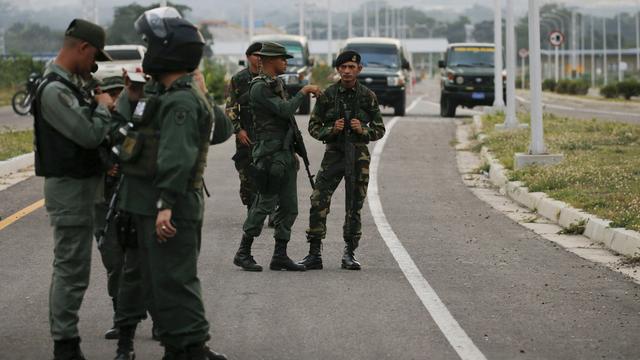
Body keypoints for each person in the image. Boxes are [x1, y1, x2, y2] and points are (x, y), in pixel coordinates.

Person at [112, 7, 229, 359]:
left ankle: (190, 348)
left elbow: (177, 158)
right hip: (145, 204)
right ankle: (179, 346)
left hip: (169, 206)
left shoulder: (181, 100)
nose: (146, 54)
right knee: (157, 282)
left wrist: (165, 205)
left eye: (150, 45)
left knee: (175, 282)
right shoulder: (161, 94)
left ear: (169, 51)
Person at [34, 18, 114, 360]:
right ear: (82, 47)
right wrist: (103, 108)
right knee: (71, 268)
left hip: (83, 188)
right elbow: (88, 134)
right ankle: (65, 345)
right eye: (93, 55)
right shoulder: (54, 89)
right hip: (69, 191)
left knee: (73, 268)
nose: (94, 64)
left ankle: (66, 340)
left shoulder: (72, 85)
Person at [299, 50, 385, 271]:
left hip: (358, 156)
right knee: (319, 200)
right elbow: (313, 126)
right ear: (338, 69)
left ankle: (349, 253)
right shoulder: (328, 95)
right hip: (334, 154)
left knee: (353, 205)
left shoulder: (367, 96)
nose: (347, 71)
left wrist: (363, 129)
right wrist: (331, 130)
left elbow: (379, 129)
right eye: (343, 67)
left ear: (359, 69)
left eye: (351, 67)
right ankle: (314, 253)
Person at [239, 41, 322, 272]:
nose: (286, 62)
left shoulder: (276, 84)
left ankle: (280, 255)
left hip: (283, 154)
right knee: (264, 204)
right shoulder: (260, 87)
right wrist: (303, 91)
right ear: (268, 61)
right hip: (268, 155)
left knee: (289, 207)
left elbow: (285, 119)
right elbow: (285, 110)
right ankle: (243, 252)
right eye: (282, 59)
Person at [92, 75, 126, 341]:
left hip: (132, 198)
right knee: (113, 259)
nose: (115, 100)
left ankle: (155, 315)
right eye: (111, 95)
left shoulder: (135, 122)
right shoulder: (93, 122)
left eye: (120, 94)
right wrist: (103, 164)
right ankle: (121, 317)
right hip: (103, 199)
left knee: (143, 260)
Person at [225, 42, 261, 211]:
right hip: (246, 135)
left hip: (267, 134)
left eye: (263, 55)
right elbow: (231, 107)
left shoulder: (271, 78)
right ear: (248, 57)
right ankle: (251, 207)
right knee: (246, 174)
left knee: (270, 173)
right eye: (256, 55)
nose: (260, 58)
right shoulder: (239, 79)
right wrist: (238, 129)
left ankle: (270, 210)